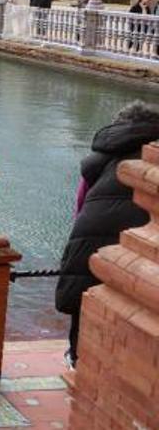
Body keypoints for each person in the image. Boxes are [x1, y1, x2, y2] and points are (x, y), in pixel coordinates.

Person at [56, 102, 159, 365]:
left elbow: (80, 208)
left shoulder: (97, 161)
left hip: (90, 242)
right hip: (139, 249)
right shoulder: (150, 160)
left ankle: (77, 359)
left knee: (86, 298)